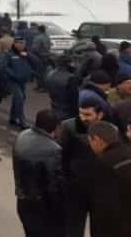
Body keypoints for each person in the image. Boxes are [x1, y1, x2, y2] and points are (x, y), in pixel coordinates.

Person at [60, 98, 109, 237]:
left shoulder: (109, 130)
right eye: (81, 113)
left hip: (99, 190)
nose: (83, 118)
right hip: (75, 188)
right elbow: (61, 157)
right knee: (74, 227)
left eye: (88, 114)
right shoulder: (69, 127)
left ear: (100, 115)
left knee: (100, 228)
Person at [13, 109, 65, 237]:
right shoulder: (53, 149)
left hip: (22, 200)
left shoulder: (23, 135)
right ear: (56, 127)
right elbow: (53, 185)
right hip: (42, 207)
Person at [87, 121, 131, 236]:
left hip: (116, 226)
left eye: (90, 141)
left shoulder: (102, 163)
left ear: (97, 139)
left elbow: (103, 204)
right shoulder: (128, 152)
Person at [4, 36, 35, 129]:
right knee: (20, 98)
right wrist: (14, 75)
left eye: (23, 43)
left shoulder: (26, 53)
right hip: (13, 81)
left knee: (19, 99)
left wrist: (28, 55)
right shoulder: (9, 54)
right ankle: (22, 121)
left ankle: (12, 118)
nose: (21, 45)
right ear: (14, 44)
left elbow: (36, 62)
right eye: (19, 43)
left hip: (23, 81)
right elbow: (4, 67)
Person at [45, 55, 80, 122]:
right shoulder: (71, 78)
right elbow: (74, 99)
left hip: (54, 107)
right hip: (68, 112)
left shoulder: (50, 74)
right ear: (69, 63)